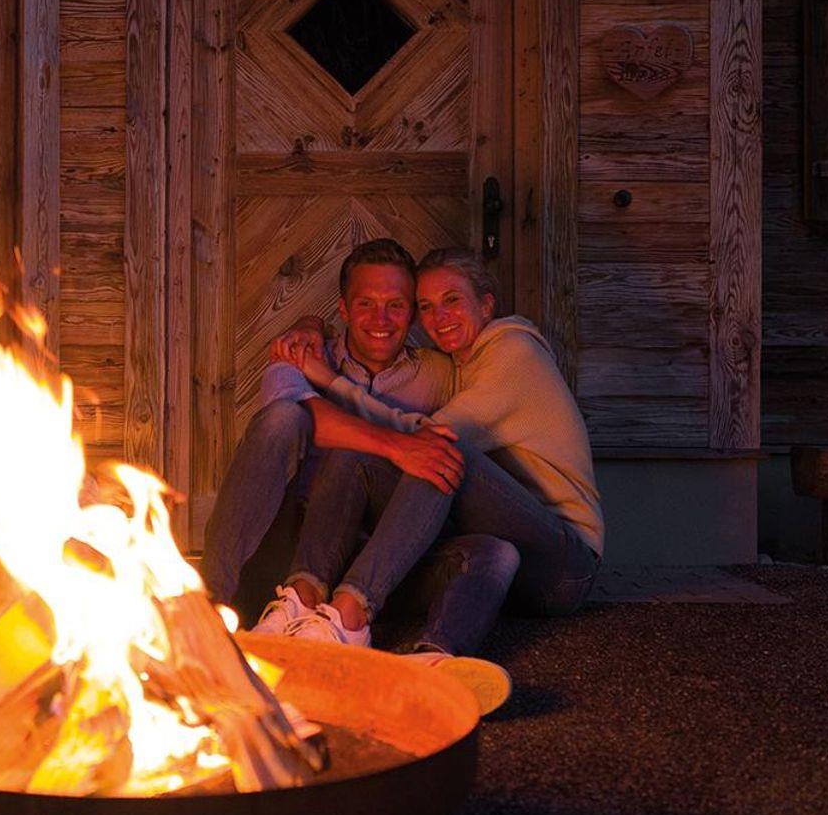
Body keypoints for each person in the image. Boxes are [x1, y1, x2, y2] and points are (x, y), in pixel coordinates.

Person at [271, 247, 605, 709]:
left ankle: (349, 616)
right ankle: (433, 655)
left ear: (486, 305)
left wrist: (329, 381)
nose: (439, 317)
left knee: (439, 452)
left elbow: (429, 436)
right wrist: (312, 325)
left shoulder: (515, 354)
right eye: (426, 307)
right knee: (490, 550)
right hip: (512, 553)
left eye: (452, 301)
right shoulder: (460, 365)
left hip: (564, 563)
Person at [197, 238, 458, 614]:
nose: (381, 320)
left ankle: (347, 609)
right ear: (344, 310)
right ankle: (209, 600)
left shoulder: (439, 375)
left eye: (395, 305)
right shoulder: (302, 354)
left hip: (370, 548)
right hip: (286, 538)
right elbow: (293, 410)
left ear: (413, 314)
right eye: (366, 304)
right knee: (283, 418)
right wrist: (401, 446)